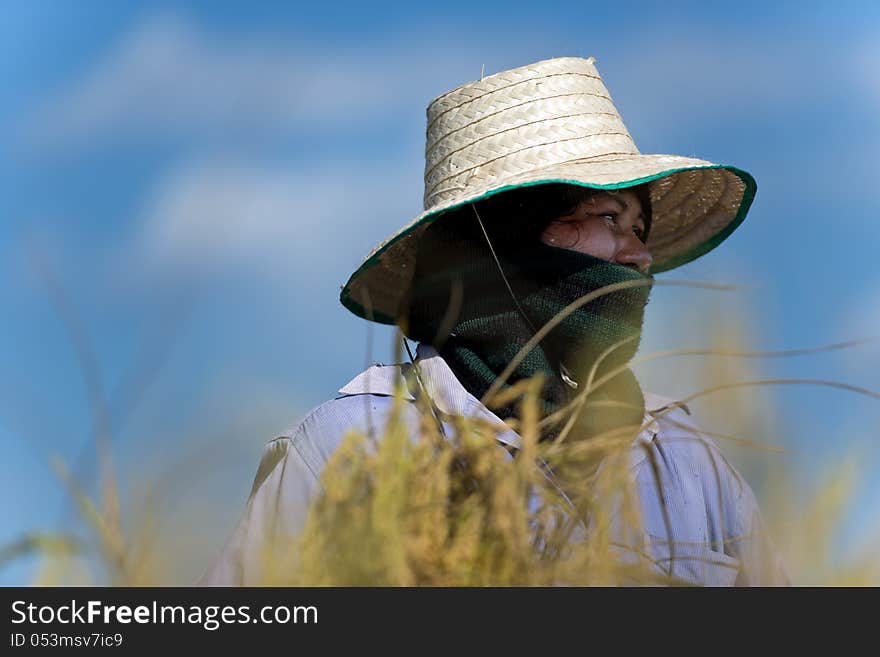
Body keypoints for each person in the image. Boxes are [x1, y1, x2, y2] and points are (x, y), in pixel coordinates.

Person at [200, 56, 788, 586]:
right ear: (504, 240)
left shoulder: (686, 461)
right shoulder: (352, 450)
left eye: (640, 228)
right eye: (607, 216)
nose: (639, 257)